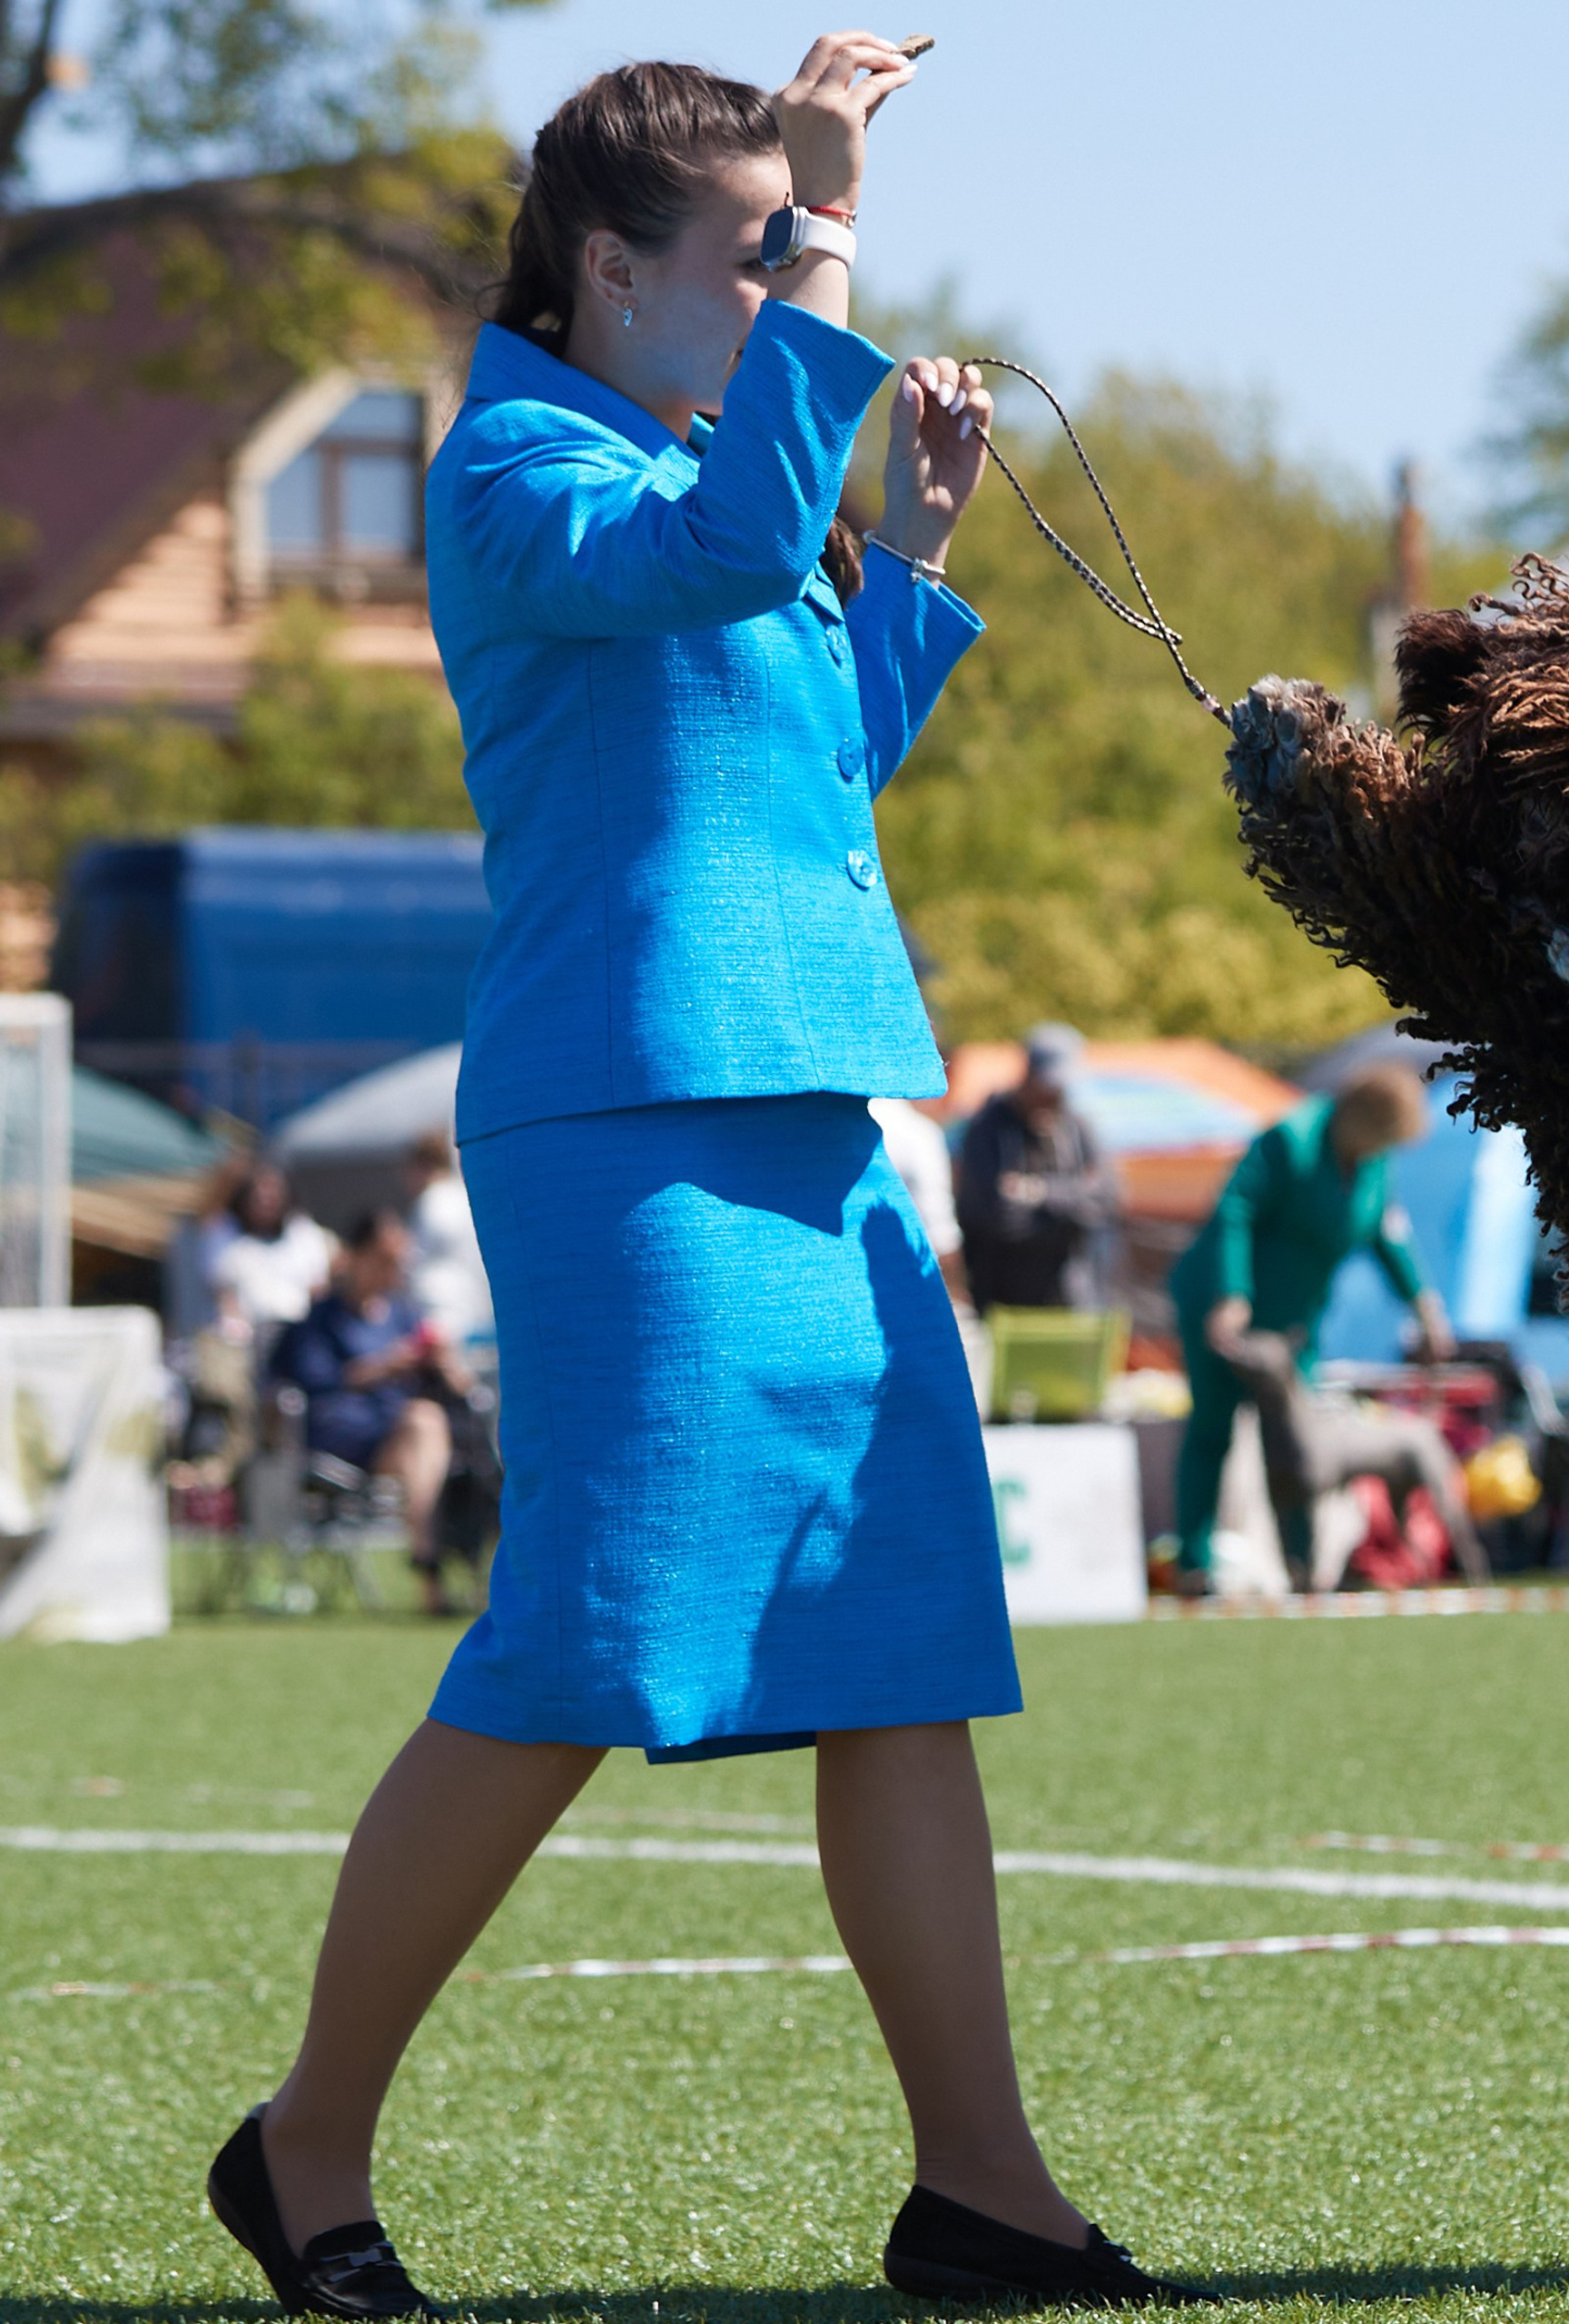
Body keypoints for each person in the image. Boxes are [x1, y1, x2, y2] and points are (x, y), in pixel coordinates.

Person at [201, 48, 1198, 2323]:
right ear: (607, 266)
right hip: (625, 1131)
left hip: (811, 1109)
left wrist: (917, 553)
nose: (782, 279)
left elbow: (812, 772)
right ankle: (306, 2142)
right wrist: (837, 218)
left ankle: (983, 2188)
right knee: (580, 1646)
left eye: (792, 243)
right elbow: (742, 547)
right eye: (750, 249)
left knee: (906, 1649)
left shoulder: (681, 462)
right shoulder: (511, 468)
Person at [1169, 1064, 1456, 1595]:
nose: (1386, 1149)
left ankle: (1301, 1569)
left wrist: (1423, 1302)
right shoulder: (1289, 1140)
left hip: (1293, 1326)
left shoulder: (1373, 1165)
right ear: (1358, 1116)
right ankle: (1194, 1563)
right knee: (1214, 1429)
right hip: (1222, 1310)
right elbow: (1235, 1211)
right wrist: (1232, 1293)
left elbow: (1387, 1233)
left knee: (1296, 1445)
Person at [269, 1210, 471, 1617]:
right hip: (344, 1434)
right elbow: (316, 1380)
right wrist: (391, 1364)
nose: (395, 1270)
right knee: (423, 1423)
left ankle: (433, 1560)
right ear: (356, 1257)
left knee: (431, 1425)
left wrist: (446, 1363)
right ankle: (431, 1567)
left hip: (403, 1435)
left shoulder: (403, 1314)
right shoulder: (322, 1317)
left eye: (400, 1261)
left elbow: (463, 1388)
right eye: (385, 1259)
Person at [953, 1023, 1117, 1312]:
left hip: (1071, 1298)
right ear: (1028, 1075)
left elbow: (1108, 1199)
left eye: (1060, 1088)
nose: (1053, 1097)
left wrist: (1036, 1192)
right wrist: (1075, 1199)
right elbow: (1001, 1217)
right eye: (1047, 1088)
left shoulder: (1076, 1126)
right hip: (1004, 1302)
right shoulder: (989, 1128)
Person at [207, 1161, 334, 1339]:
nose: (267, 1201)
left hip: (299, 1333)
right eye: (259, 1195)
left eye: (274, 1195)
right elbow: (224, 1296)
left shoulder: (304, 1234)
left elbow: (320, 1290)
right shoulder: (226, 1239)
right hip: (251, 1337)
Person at [869, 1094, 969, 1305]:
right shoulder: (918, 1133)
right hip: (903, 1280)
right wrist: (957, 1292)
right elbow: (941, 1231)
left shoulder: (838, 1126)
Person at [401, 1128, 493, 1350]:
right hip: (476, 1312)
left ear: (419, 1166)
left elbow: (411, 1261)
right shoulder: (464, 1198)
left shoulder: (431, 1203)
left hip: (439, 1316)